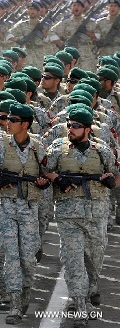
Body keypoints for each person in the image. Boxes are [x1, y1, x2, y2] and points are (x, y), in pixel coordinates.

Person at [0, 103, 49, 324]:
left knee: (28, 257)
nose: (8, 123)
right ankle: (14, 303)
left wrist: (43, 182)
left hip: (29, 208)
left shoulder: (37, 147)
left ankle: (24, 295)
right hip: (4, 206)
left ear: (25, 124)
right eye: (8, 119)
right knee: (11, 255)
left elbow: (48, 171)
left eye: (13, 120)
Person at [42, 106, 119, 327]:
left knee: (94, 260)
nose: (70, 129)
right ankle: (80, 306)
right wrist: (56, 177)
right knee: (73, 260)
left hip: (96, 215)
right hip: (68, 216)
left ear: (87, 129)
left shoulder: (102, 150)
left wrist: (111, 181)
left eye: (76, 126)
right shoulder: (57, 149)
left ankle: (92, 285)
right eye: (68, 124)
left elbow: (116, 173)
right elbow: (44, 169)